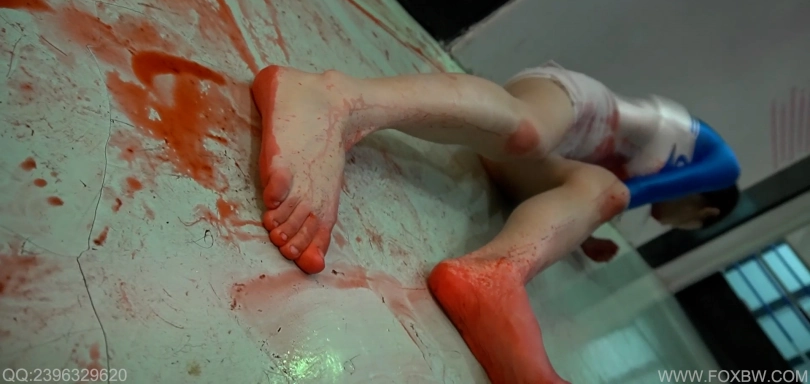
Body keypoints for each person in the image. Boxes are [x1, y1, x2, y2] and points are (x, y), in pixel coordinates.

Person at [250, 62, 741, 384]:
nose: (667, 221)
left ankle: (496, 272)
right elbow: (632, 192)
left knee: (600, 189)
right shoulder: (723, 166)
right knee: (536, 133)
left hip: (537, 155)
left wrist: (582, 234)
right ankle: (338, 97)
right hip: (571, 103)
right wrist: (606, 210)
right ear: (706, 212)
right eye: (687, 223)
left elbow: (608, 187)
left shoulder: (653, 168)